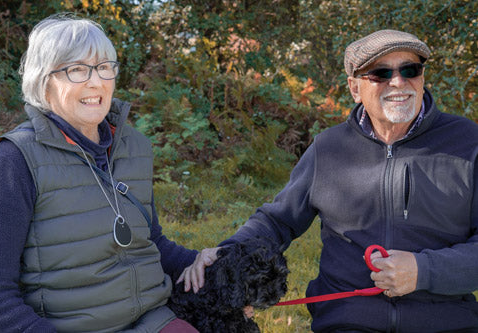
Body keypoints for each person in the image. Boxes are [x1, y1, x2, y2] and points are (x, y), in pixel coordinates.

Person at [181, 29, 478, 332]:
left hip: (448, 323)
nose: (399, 82)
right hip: (347, 322)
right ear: (355, 88)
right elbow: (277, 221)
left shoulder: (468, 142)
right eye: (380, 73)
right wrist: (225, 253)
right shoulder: (329, 148)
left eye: (410, 70)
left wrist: (424, 271)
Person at [0, 14, 200, 332]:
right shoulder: (13, 161)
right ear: (44, 82)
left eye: (104, 67)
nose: (96, 82)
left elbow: (151, 242)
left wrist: (201, 262)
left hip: (151, 320)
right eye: (77, 69)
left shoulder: (134, 147)